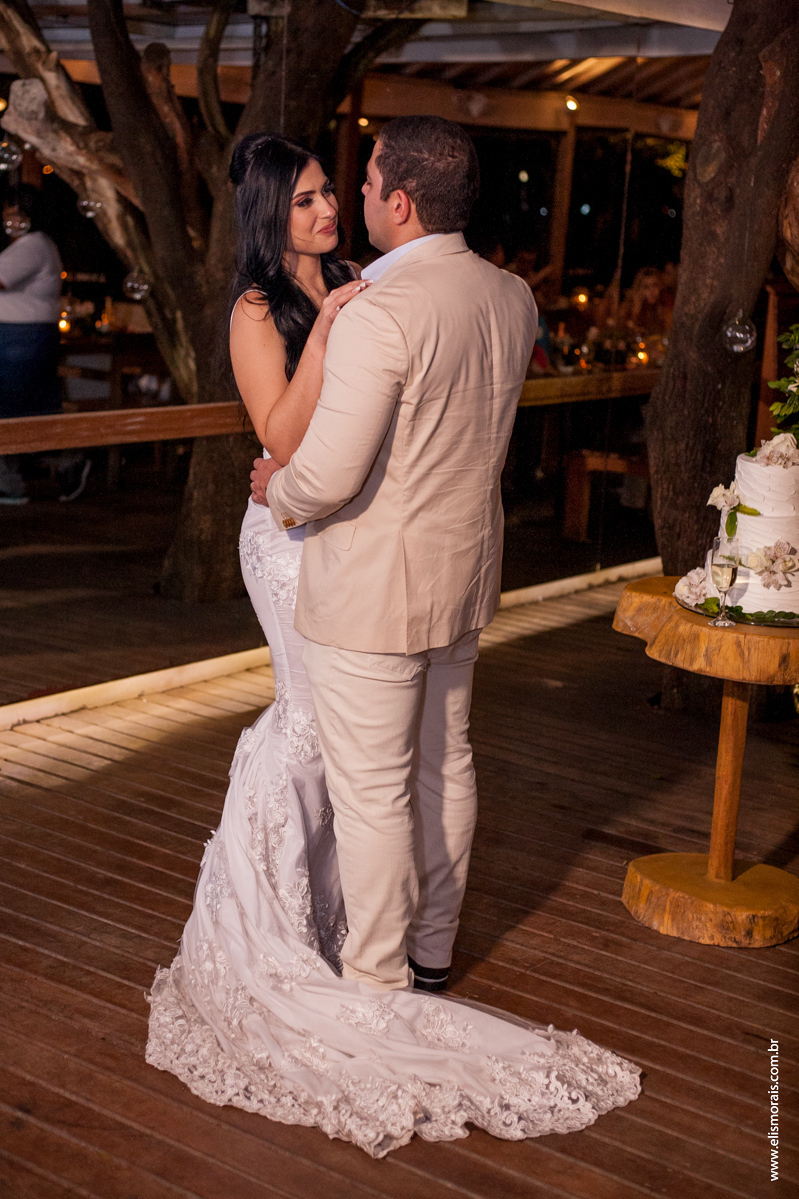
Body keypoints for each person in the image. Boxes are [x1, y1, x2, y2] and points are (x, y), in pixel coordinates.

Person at [146, 123, 640, 1157]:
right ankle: (422, 950)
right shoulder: (505, 296)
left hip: (364, 563)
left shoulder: (382, 299)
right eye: (313, 195)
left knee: (377, 776)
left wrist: (284, 485)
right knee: (429, 757)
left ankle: (376, 981)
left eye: (347, 187)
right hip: (435, 566)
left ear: (394, 199)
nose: (335, 205)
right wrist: (308, 396)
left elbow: (316, 471)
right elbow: (311, 430)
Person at [0, 185, 91, 502]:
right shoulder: (34, 245)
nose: (8, 217)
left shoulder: (32, 246)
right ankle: (67, 464)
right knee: (31, 408)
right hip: (23, 336)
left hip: (20, 338)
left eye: (15, 211)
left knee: (13, 407)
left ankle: (13, 482)